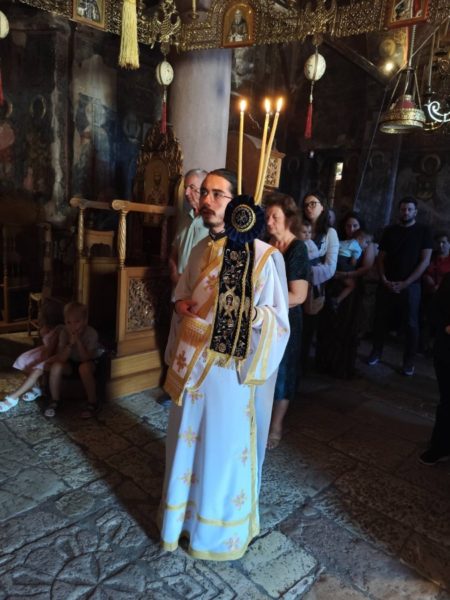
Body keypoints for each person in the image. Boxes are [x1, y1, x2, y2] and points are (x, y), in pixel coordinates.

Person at [159, 169, 290, 560]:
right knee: (185, 443)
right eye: (204, 192)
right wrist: (180, 305)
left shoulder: (262, 256)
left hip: (227, 374)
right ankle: (181, 522)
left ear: (237, 203)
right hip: (191, 368)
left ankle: (216, 533)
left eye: (217, 194)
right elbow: (182, 294)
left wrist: (248, 314)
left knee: (220, 450)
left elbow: (278, 320)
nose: (207, 200)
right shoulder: (200, 248)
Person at [264, 194, 309, 449]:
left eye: (275, 217)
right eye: (267, 217)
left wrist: (263, 302)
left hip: (286, 321)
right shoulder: (265, 245)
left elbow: (298, 296)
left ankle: (276, 426)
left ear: (289, 219)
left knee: (283, 372)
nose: (269, 222)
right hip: (265, 318)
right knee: (264, 369)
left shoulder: (297, 249)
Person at [368, 197, 432, 376]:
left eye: (409, 209)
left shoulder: (424, 231)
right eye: (403, 209)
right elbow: (381, 258)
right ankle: (376, 352)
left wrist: (407, 282)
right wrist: (383, 279)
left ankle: (408, 361)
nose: (406, 212)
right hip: (388, 283)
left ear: (415, 212)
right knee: (380, 319)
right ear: (399, 211)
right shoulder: (390, 231)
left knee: (411, 324)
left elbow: (425, 260)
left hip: (411, 285)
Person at [316, 212, 377, 378]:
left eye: (355, 225)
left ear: (361, 227)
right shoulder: (340, 241)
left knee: (346, 326)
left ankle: (341, 366)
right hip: (334, 285)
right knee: (329, 325)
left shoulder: (366, 243)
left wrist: (346, 275)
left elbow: (366, 268)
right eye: (348, 225)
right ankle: (325, 363)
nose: (351, 229)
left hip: (351, 289)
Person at [300, 190, 339, 371]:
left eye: (313, 203)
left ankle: (301, 369)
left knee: (307, 330)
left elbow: (330, 267)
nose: (309, 207)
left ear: (322, 207)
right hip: (293, 284)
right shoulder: (299, 228)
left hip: (314, 288)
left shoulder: (330, 233)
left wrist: (304, 272)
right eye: (306, 204)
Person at [0, 302, 63, 413]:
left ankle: (13, 398)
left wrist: (42, 360)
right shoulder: (47, 328)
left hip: (53, 355)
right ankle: (36, 388)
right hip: (46, 351)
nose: (38, 315)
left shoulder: (59, 330)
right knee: (24, 360)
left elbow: (51, 351)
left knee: (36, 369)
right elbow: (45, 344)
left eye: (40, 313)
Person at [45, 301, 101, 419]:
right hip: (71, 362)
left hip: (88, 362)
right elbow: (61, 358)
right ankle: (55, 400)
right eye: (68, 322)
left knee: (84, 368)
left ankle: (93, 402)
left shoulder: (91, 333)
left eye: (77, 322)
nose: (72, 326)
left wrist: (78, 341)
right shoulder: (64, 333)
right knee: (56, 366)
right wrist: (70, 344)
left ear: (84, 321)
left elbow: (86, 357)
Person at [419, 272, 450, 465]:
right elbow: (434, 310)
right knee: (447, 401)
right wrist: (445, 326)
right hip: (446, 351)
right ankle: (441, 445)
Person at [168, 169, 208, 286]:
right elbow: (173, 254)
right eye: (186, 188)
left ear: (205, 190)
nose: (186, 193)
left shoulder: (214, 222)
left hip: (199, 289)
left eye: (191, 187)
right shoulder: (184, 219)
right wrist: (175, 275)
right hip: (178, 289)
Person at [330, 230, 373, 310]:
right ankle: (337, 300)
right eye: (367, 242)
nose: (367, 245)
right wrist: (353, 266)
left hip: (334, 261)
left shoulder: (345, 242)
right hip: (343, 263)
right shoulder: (357, 248)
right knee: (352, 285)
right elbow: (353, 262)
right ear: (359, 238)